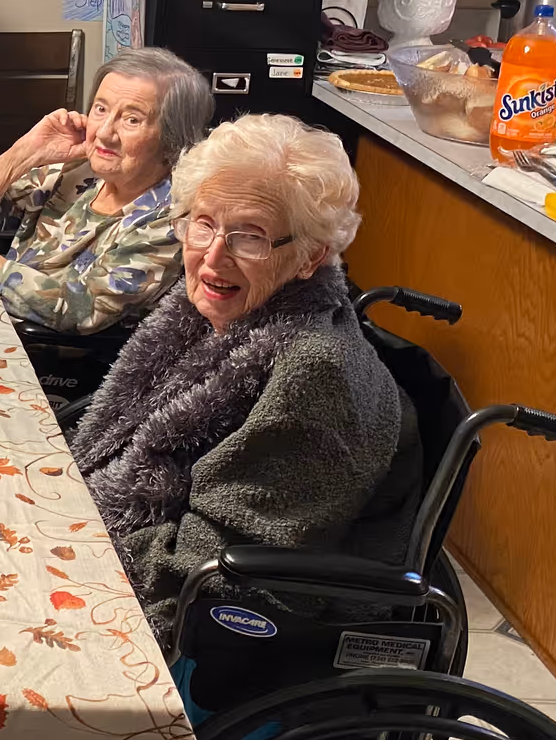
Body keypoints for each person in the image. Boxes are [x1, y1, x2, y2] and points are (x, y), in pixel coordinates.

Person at [65, 114, 417, 644]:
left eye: (248, 237)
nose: (211, 258)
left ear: (310, 257)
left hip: (207, 625)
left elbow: (216, 568)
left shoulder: (315, 371)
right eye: (201, 223)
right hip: (117, 550)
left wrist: (72, 548)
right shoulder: (204, 316)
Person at [0, 48, 210, 332]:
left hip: (43, 359)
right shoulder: (79, 171)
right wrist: (25, 152)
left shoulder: (170, 219)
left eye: (132, 120)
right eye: (101, 109)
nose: (105, 133)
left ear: (173, 139)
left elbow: (81, 311)